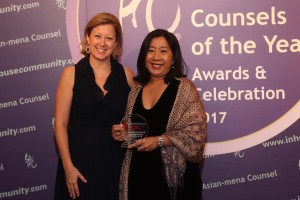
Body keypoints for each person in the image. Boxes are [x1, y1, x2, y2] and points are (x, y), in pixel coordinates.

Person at [112, 29, 207, 200]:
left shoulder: (184, 88)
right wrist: (123, 133)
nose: (156, 57)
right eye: (151, 50)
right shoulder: (136, 89)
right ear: (144, 56)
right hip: (138, 180)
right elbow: (137, 131)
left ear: (173, 58)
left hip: (175, 185)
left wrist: (159, 140)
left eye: (163, 51)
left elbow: (196, 136)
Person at [54, 13, 135, 200]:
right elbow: (60, 124)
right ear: (88, 38)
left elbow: (142, 121)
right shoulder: (70, 74)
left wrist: (128, 131)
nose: (102, 43)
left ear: (116, 44)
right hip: (78, 165)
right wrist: (68, 167)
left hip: (116, 164)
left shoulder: (128, 76)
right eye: (97, 36)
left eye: (109, 38)